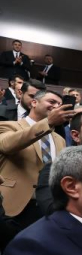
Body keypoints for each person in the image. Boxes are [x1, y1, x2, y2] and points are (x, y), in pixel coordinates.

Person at [0, 90, 72, 229]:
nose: (56, 106)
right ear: (34, 102)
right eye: (52, 102)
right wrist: (48, 122)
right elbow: (7, 145)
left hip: (47, 207)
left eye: (59, 104)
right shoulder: (8, 126)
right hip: (12, 205)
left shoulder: (60, 140)